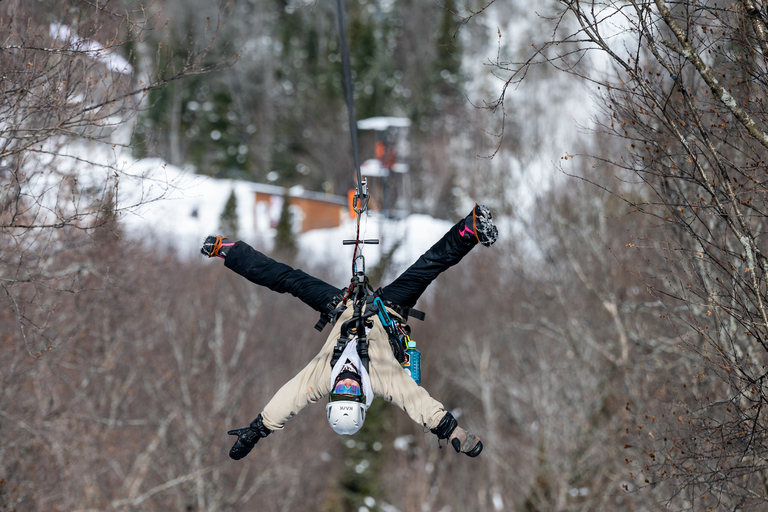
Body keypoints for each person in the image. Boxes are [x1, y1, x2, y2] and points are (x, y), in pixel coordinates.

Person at [201, 204, 498, 460]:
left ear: (332, 396)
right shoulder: (383, 379)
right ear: (361, 398)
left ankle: (226, 250)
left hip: (342, 309)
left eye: (341, 391)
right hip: (386, 311)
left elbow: (288, 401)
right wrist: (455, 432)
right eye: (351, 391)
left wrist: (256, 431)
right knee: (425, 269)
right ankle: (470, 227)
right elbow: (419, 405)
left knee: (289, 279)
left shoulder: (322, 377)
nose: (346, 382)